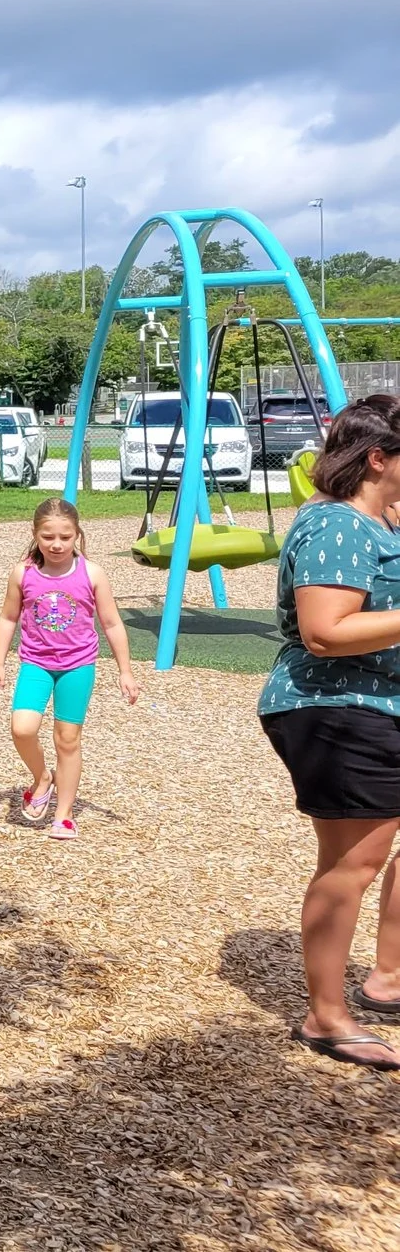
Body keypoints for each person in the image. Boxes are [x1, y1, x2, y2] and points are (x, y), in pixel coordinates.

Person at [259, 393, 400, 1071]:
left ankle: (385, 979)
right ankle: (326, 1016)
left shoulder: (376, 522)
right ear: (379, 459)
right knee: (354, 863)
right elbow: (324, 632)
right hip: (339, 708)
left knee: (359, 860)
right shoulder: (338, 528)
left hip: (371, 707)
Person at [0, 499, 142, 839]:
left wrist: (125, 671)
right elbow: (8, 617)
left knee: (67, 739)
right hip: (36, 663)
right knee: (23, 728)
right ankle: (42, 778)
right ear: (36, 535)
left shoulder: (91, 573)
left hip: (78, 666)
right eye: (48, 537)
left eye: (65, 537)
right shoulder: (23, 572)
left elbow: (112, 623)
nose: (56, 544)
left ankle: (64, 813)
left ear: (77, 536)